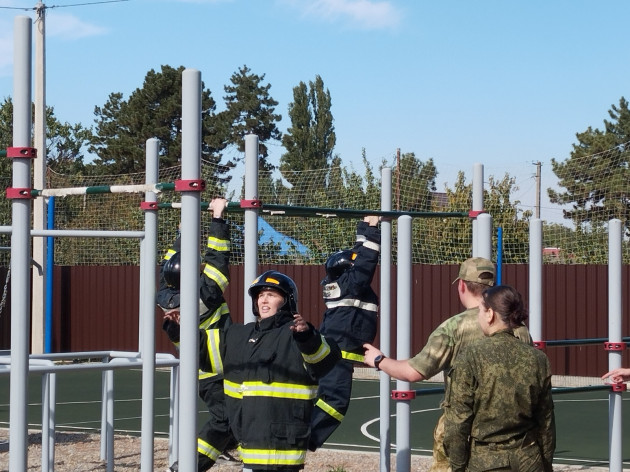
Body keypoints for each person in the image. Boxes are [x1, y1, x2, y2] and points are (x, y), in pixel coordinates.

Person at [162, 247, 341, 470]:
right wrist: (177, 330)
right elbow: (202, 351)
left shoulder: (297, 335)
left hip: (282, 455)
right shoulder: (239, 335)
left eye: (271, 295)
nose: (263, 301)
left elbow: (324, 359)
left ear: (287, 301)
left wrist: (307, 336)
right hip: (250, 451)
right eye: (260, 296)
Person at [363, 257, 532, 472]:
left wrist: (379, 360)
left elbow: (414, 372)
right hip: (512, 425)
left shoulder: (454, 327)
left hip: (464, 425)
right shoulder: (519, 326)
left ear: (462, 285)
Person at [158, 198, 237, 472]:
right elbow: (217, 261)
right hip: (220, 368)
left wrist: (182, 233)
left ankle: (225, 446)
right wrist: (218, 220)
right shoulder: (203, 296)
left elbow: (170, 263)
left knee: (233, 418)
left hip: (203, 370)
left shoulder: (165, 295)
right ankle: (188, 466)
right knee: (225, 420)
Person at [443, 285, 556, 472]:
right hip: (529, 459)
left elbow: (457, 424)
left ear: (490, 314)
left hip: (486, 462)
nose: (478, 316)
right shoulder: (537, 358)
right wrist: (545, 464)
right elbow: (546, 422)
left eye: (480, 310)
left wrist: (458, 467)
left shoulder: (471, 357)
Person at [308, 215, 380, 451]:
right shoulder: (353, 284)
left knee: (325, 398)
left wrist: (364, 226)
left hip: (334, 351)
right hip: (340, 355)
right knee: (335, 403)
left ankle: (301, 433)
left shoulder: (341, 285)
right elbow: (366, 260)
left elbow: (357, 257)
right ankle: (305, 439)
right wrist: (373, 229)